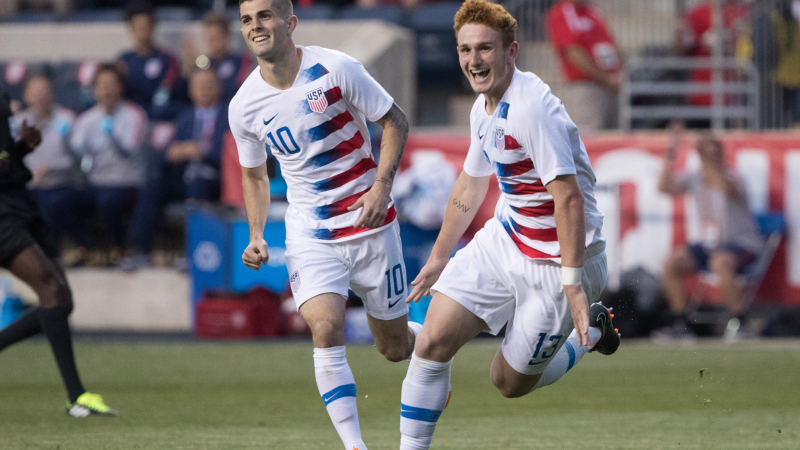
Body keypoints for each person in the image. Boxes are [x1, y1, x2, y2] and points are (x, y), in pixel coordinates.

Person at [397, 2, 619, 449]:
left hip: (560, 264)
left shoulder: (532, 109)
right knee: (432, 342)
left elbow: (569, 200)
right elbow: (470, 183)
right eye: (464, 49)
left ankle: (592, 331)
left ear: (511, 51)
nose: (473, 60)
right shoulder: (485, 107)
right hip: (507, 240)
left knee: (508, 382)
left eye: (484, 48)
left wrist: (573, 285)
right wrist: (441, 255)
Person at [230, 1, 420, 449]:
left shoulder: (336, 68)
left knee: (393, 347)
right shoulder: (243, 106)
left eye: (265, 16)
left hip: (370, 224)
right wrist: (257, 235)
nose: (256, 26)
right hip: (311, 233)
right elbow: (255, 174)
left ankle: (431, 349)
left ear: (289, 22)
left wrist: (381, 188)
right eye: (246, 19)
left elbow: (395, 122)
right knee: (325, 327)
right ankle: (355, 446)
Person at [0, 91, 117, 417]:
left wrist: (22, 147)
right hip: (2, 212)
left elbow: (5, 159)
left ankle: (77, 397)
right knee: (51, 290)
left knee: (60, 301)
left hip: (20, 201)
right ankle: (77, 398)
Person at [656, 121, 762, 339]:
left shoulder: (734, 176)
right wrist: (672, 152)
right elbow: (664, 188)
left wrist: (710, 162)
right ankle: (680, 322)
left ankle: (740, 321)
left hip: (740, 243)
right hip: (710, 243)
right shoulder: (695, 178)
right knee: (671, 262)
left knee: (720, 262)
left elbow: (726, 189)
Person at [124, 69, 228, 271]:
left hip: (215, 179)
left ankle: (192, 252)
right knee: (153, 186)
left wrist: (200, 151)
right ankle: (141, 251)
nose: (204, 90)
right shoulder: (185, 118)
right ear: (191, 91)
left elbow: (232, 153)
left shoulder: (229, 117)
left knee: (198, 185)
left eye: (209, 85)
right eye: (200, 86)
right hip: (184, 176)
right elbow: (166, 152)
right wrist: (171, 153)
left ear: (219, 88)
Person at [70, 64, 148, 264]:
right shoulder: (87, 119)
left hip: (127, 181)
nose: (107, 90)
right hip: (97, 180)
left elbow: (131, 149)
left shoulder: (134, 114)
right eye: (102, 85)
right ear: (94, 89)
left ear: (120, 88)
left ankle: (119, 247)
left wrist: (111, 135)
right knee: (61, 199)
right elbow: (76, 150)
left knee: (108, 200)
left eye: (111, 84)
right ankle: (83, 247)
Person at [14, 76, 88, 264]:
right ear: (26, 96)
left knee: (52, 202)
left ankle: (58, 251)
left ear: (53, 94)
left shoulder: (67, 119)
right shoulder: (17, 122)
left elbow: (81, 157)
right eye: (36, 93)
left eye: (45, 92)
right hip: (30, 184)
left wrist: (53, 169)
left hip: (64, 182)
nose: (41, 97)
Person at [546, 0, 622, 132]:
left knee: (614, 138)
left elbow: (610, 44)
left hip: (610, 86)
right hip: (585, 86)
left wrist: (617, 73)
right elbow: (572, 52)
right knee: (588, 137)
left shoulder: (593, 12)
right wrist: (605, 77)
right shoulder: (562, 12)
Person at [118, 1, 185, 121]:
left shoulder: (168, 59)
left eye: (147, 26)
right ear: (132, 29)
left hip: (160, 116)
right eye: (140, 27)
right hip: (131, 117)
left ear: (153, 27)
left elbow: (169, 91)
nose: (144, 31)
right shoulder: (123, 60)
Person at [180, 12, 256, 104]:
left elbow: (243, 90)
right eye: (208, 38)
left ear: (227, 36)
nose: (210, 43)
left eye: (215, 38)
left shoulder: (241, 62)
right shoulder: (202, 65)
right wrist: (188, 71)